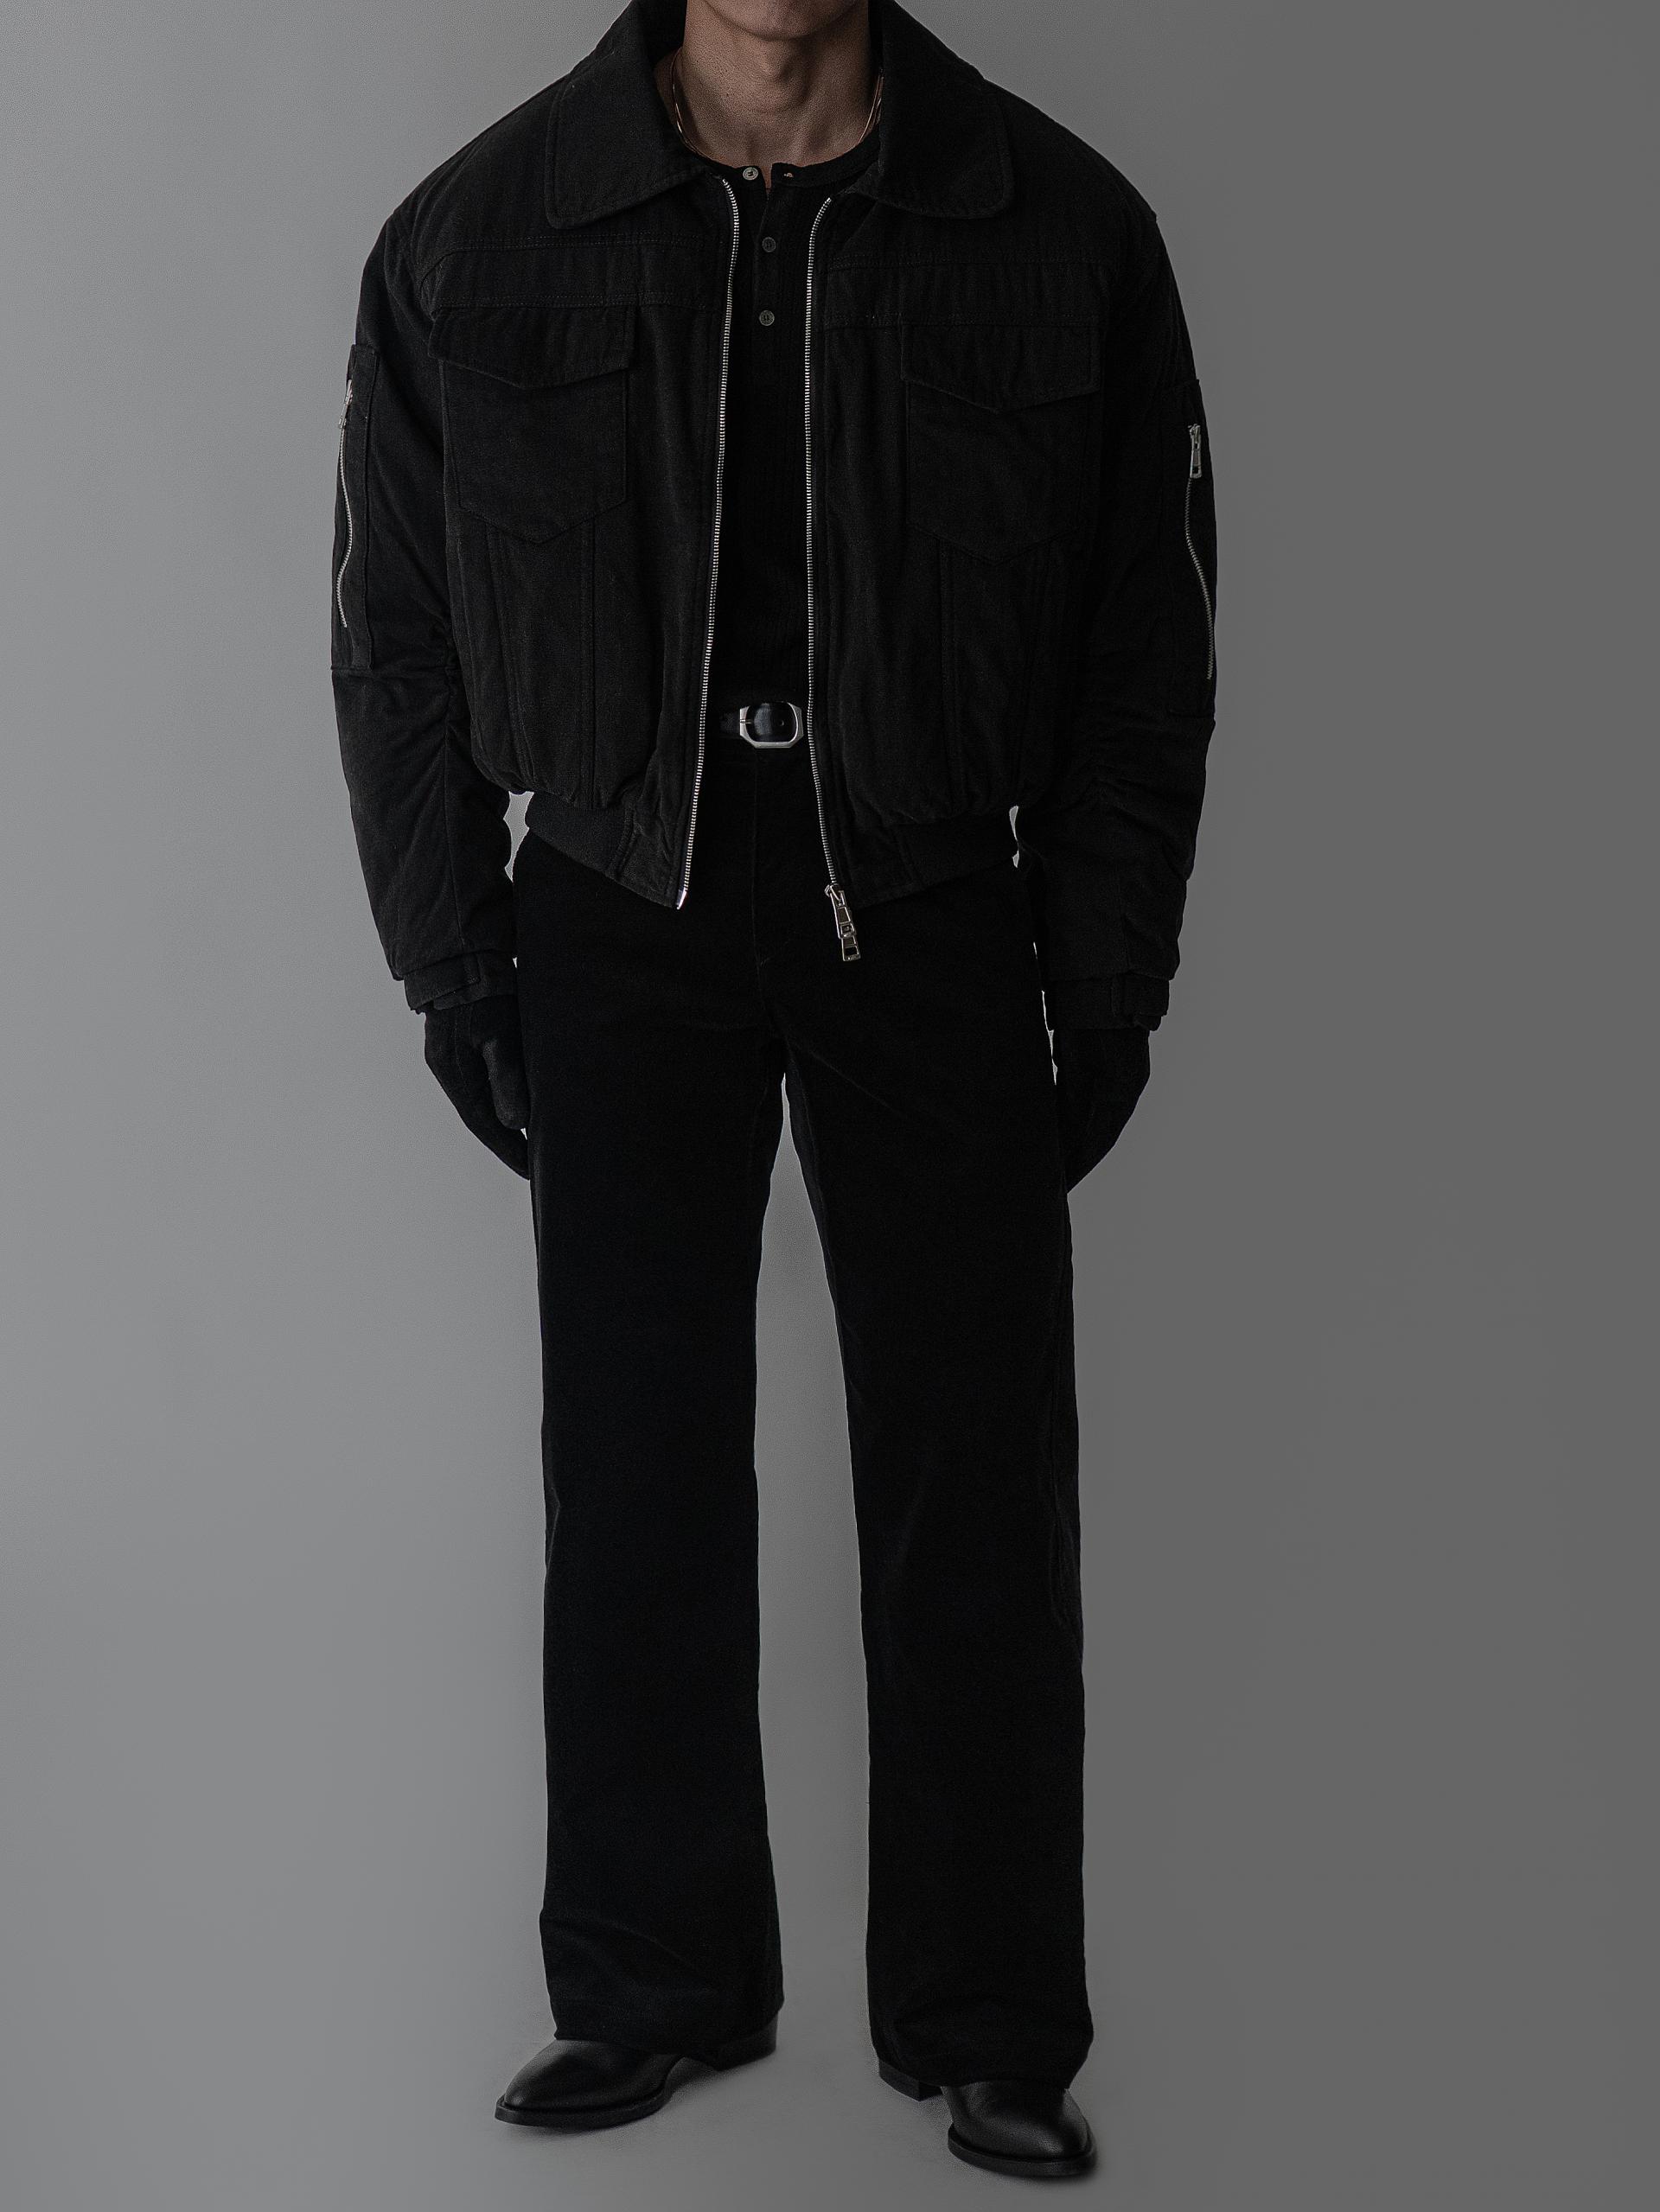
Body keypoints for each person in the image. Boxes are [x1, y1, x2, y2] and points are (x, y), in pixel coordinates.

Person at [330, 0, 1216, 2181]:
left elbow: (1149, 640)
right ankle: (652, 1983)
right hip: (613, 899)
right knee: (632, 1461)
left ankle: (990, 2019)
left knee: (975, 1475)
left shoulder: (1062, 226)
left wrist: (1103, 973)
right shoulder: (478, 230)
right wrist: (453, 954)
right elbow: (395, 625)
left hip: (929, 897)